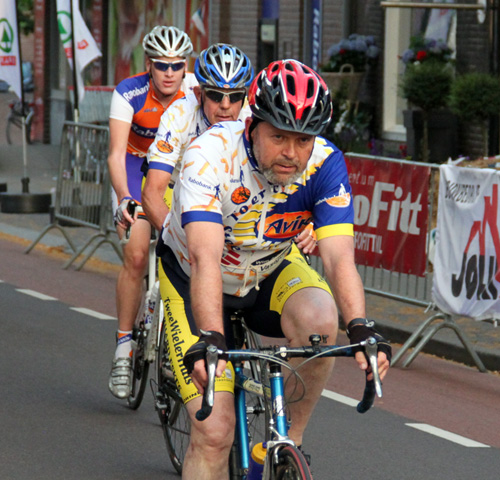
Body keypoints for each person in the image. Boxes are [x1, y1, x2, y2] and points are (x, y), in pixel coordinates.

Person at [156, 59, 392, 479]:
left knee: (322, 320)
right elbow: (205, 258)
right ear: (252, 126)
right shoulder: (209, 157)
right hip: (194, 279)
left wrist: (360, 326)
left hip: (268, 268)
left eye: (303, 140)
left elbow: (339, 257)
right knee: (215, 432)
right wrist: (211, 337)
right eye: (278, 136)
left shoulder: (324, 163)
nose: (291, 153)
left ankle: (285, 445)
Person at [107, 25, 196, 399]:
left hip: (176, 175)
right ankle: (124, 347)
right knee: (138, 253)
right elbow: (115, 153)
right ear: (149, 64)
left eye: (177, 65)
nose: (170, 73)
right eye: (162, 65)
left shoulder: (197, 90)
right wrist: (125, 197)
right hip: (135, 172)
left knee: (195, 254)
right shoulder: (129, 92)